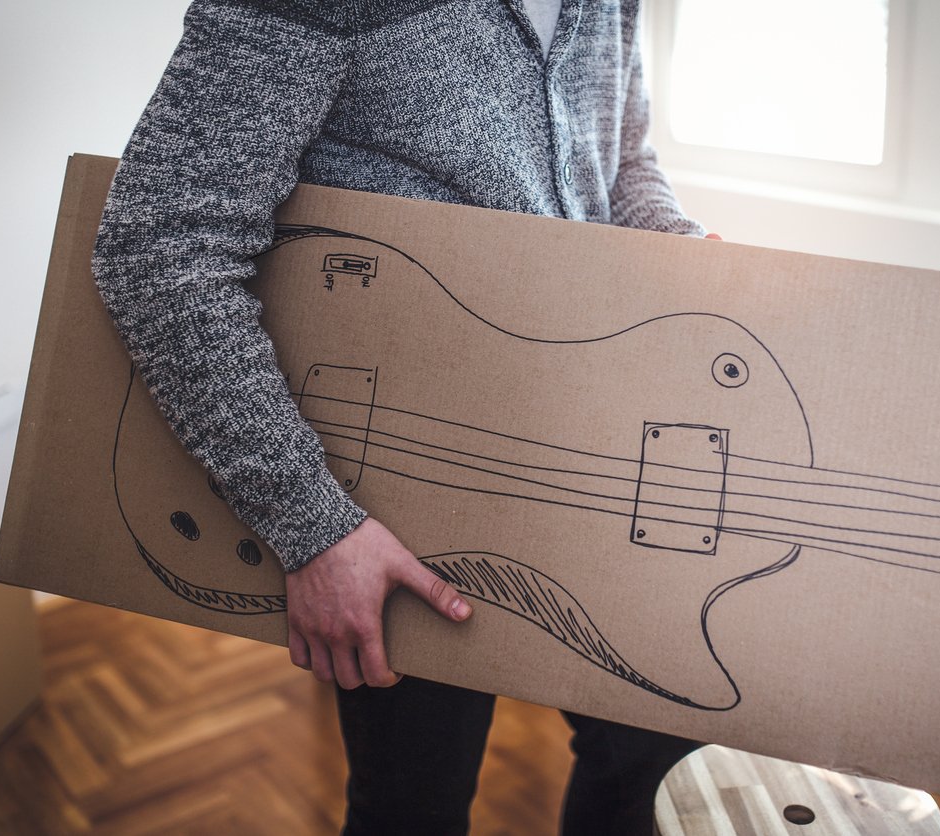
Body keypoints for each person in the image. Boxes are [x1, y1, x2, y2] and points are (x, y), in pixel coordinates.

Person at [93, 2, 710, 833]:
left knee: (655, 759)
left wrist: (673, 242)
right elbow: (160, 245)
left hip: (579, 453)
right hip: (394, 508)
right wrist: (311, 525)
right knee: (412, 806)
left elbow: (618, 155)